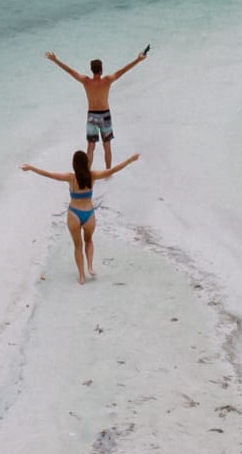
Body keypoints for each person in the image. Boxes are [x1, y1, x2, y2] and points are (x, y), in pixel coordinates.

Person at [20, 149, 139, 284]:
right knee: (89, 240)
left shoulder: (70, 177)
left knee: (77, 246)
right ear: (86, 163)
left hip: (74, 213)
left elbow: (49, 174)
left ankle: (82, 276)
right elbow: (112, 170)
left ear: (74, 164)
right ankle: (90, 267)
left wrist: (31, 168)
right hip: (89, 214)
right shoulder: (92, 175)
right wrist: (130, 160)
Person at [45, 47, 147, 169]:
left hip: (92, 116)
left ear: (91, 70)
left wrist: (55, 60)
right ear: (101, 69)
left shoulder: (86, 81)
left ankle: (87, 174)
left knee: (90, 148)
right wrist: (138, 60)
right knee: (107, 147)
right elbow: (123, 70)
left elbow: (70, 71)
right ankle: (108, 173)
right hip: (105, 115)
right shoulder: (107, 80)